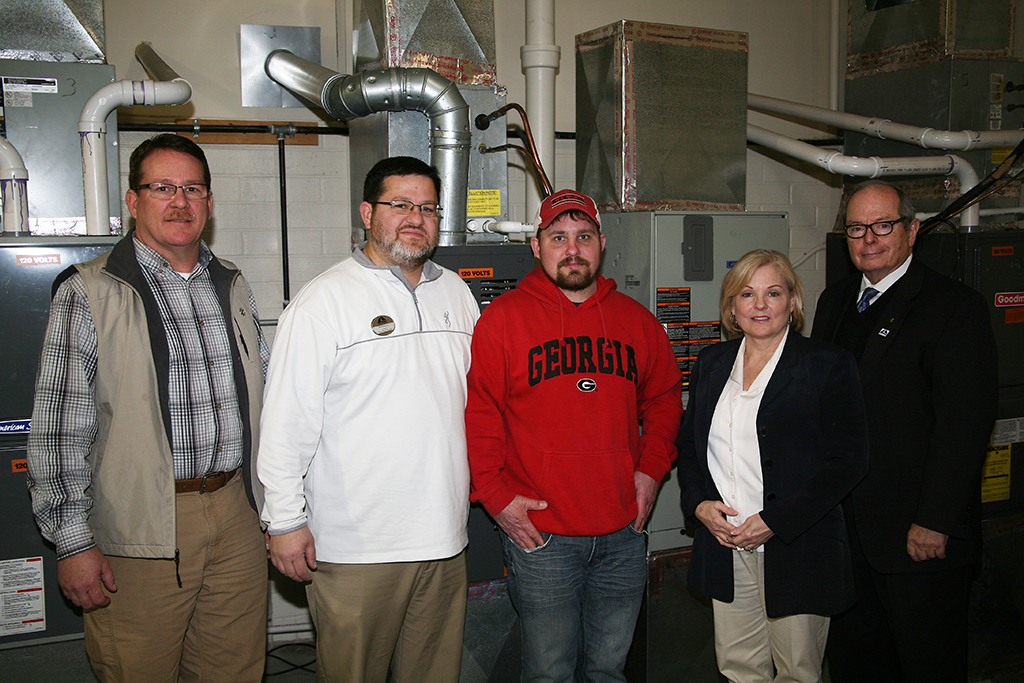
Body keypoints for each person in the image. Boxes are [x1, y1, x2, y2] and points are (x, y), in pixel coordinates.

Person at [26, 133, 270, 682]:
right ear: (134, 201)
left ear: (209, 202)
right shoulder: (89, 291)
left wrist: (274, 504)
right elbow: (59, 429)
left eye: (193, 189)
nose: (179, 202)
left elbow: (262, 396)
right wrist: (72, 542)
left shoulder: (230, 283)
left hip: (236, 515)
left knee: (234, 671)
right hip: (138, 530)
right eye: (162, 187)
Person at [258, 156, 479, 683]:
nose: (414, 217)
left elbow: (480, 405)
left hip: (444, 539)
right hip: (357, 549)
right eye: (399, 204)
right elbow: (286, 422)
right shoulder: (323, 302)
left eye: (427, 207)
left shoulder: (457, 294)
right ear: (366, 212)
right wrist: (285, 521)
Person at [465, 189, 684, 682]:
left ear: (601, 243)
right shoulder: (503, 321)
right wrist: (496, 499)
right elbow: (480, 417)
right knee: (549, 673)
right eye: (558, 237)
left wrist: (651, 471)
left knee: (608, 670)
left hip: (622, 533)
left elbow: (666, 399)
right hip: (543, 537)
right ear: (537, 246)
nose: (572, 249)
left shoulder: (636, 322)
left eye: (583, 237)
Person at [812, 180, 998, 683]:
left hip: (917, 538)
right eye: (856, 228)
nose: (868, 238)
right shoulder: (833, 302)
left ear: (912, 230)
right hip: (847, 534)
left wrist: (934, 520)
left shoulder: (954, 308)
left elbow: (965, 426)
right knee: (857, 663)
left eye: (882, 225)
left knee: (924, 664)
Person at [676, 249, 869, 683]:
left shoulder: (826, 364)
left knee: (798, 671)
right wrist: (699, 504)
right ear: (731, 307)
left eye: (773, 293)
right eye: (747, 293)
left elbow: (848, 460)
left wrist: (776, 520)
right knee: (739, 668)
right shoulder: (712, 363)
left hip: (795, 546)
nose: (760, 305)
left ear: (793, 303)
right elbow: (688, 444)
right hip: (727, 545)